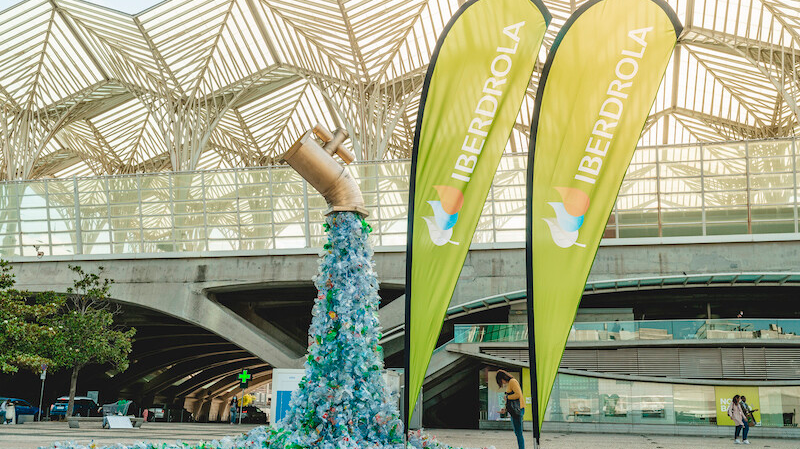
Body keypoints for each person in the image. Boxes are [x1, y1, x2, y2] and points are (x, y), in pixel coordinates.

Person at [496, 370, 524, 449]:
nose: (502, 383)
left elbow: (518, 394)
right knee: (517, 432)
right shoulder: (511, 383)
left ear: (503, 378)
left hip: (518, 410)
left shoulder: (512, 381)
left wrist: (507, 397)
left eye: (500, 381)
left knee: (518, 433)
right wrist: (504, 409)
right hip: (514, 411)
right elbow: (511, 401)